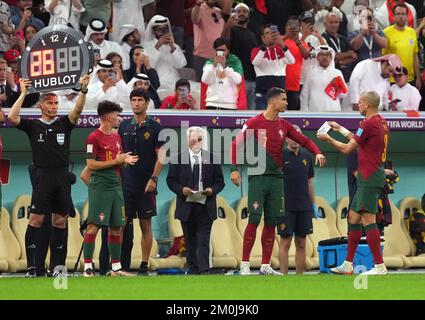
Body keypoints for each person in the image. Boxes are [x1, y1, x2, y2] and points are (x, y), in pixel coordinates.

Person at [230, 87, 326, 276]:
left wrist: (318, 152)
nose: (287, 102)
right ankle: (245, 264)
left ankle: (266, 265)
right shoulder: (254, 122)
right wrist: (234, 169)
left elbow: (304, 140)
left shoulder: (284, 125)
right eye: (284, 99)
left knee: (272, 222)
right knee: (254, 219)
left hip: (276, 179)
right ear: (273, 101)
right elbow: (236, 144)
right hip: (258, 178)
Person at [7, 75, 89, 277]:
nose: (54, 106)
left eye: (56, 103)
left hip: (61, 176)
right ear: (41, 106)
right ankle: (32, 266)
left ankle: (57, 268)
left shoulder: (64, 124)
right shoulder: (33, 126)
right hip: (42, 176)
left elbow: (77, 111)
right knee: (35, 220)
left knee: (60, 221)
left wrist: (83, 91)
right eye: (50, 103)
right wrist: (24, 92)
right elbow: (12, 117)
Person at [317, 90, 389, 275]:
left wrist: (328, 139)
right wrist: (339, 128)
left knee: (368, 219)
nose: (358, 104)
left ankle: (379, 266)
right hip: (371, 175)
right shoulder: (380, 122)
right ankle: (348, 264)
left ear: (367, 105)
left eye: (360, 102)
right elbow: (358, 140)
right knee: (353, 218)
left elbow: (348, 149)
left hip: (369, 176)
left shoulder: (367, 123)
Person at [82, 100, 138, 277]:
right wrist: (117, 161)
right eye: (117, 115)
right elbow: (90, 164)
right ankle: (88, 267)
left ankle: (115, 268)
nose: (119, 119)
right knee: (94, 226)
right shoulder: (93, 137)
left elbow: (118, 163)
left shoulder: (117, 137)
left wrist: (125, 162)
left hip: (116, 185)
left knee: (116, 227)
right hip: (100, 186)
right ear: (108, 117)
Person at [118, 89, 165, 275]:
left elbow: (161, 157)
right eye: (133, 100)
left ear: (147, 103)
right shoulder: (123, 127)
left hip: (146, 185)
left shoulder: (156, 128)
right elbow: (118, 153)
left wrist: (154, 179)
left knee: (145, 225)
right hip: (125, 185)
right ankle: (117, 264)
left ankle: (144, 265)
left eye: (140, 100)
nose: (136, 103)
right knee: (121, 224)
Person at [167, 126, 225, 275]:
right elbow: (171, 181)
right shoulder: (178, 159)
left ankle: (204, 269)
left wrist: (212, 190)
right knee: (189, 240)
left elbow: (220, 182)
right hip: (186, 204)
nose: (196, 143)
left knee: (203, 240)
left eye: (199, 140)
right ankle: (193, 269)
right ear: (187, 141)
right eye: (193, 140)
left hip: (206, 204)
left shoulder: (212, 158)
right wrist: (181, 190)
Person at [278, 125, 318, 275]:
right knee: (285, 242)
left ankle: (299, 278)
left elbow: (310, 182)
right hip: (286, 207)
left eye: (298, 136)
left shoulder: (307, 157)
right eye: (292, 136)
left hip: (304, 207)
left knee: (301, 243)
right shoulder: (280, 156)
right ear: (286, 138)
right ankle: (283, 276)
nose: (295, 140)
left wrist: (313, 204)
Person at [222, 2, 258, 110]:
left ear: (249, 16)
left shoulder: (252, 34)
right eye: (239, 11)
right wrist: (227, 27)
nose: (242, 13)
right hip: (236, 80)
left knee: (251, 117)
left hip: (251, 80)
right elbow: (223, 43)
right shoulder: (231, 30)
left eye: (245, 11)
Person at [251, 24, 295, 110]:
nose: (271, 35)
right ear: (263, 38)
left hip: (280, 95)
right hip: (263, 95)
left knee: (280, 122)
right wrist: (264, 47)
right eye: (267, 33)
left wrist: (283, 45)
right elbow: (255, 62)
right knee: (262, 121)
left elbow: (292, 61)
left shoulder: (282, 50)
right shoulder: (256, 50)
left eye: (272, 32)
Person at [382, 2, 420, 89]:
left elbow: (415, 56)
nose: (400, 17)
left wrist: (418, 77)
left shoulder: (412, 32)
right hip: (393, 80)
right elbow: (383, 58)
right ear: (393, 16)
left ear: (407, 16)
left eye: (403, 14)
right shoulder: (386, 33)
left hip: (410, 79)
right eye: (398, 14)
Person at [143, 15, 187, 90]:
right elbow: (150, 66)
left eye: (165, 29)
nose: (163, 32)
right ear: (154, 30)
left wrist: (172, 48)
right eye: (160, 30)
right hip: (160, 83)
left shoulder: (173, 45)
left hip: (176, 80)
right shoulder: (147, 46)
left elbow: (181, 64)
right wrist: (157, 46)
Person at [300, 45, 347, 111]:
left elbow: (344, 95)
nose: (324, 57)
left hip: (334, 111)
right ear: (317, 57)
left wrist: (337, 86)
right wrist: (305, 111)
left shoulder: (337, 73)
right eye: (322, 55)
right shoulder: (311, 73)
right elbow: (304, 94)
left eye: (327, 55)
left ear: (331, 58)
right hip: (314, 111)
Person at [192, 0, 225, 81]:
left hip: (219, 56)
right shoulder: (199, 8)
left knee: (218, 86)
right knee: (201, 87)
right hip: (201, 56)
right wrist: (197, 5)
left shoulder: (219, 11)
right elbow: (194, 19)